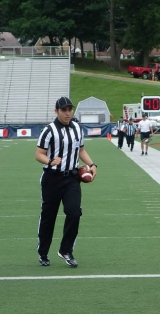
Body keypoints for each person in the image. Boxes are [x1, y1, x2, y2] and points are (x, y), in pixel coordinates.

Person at [35, 96, 98, 267]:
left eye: (70, 109)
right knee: (49, 217)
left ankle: (66, 250)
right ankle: (43, 252)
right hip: (52, 178)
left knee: (74, 212)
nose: (67, 113)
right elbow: (39, 154)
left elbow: (81, 150)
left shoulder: (77, 127)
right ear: (56, 111)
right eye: (64, 110)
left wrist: (92, 164)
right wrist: (49, 161)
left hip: (71, 177)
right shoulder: (49, 130)